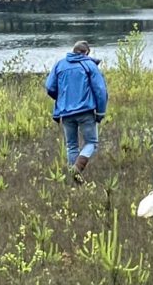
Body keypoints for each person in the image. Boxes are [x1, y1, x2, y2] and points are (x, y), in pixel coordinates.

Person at [45, 40, 108, 183]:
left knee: (71, 145)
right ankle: (77, 168)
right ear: (86, 53)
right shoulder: (89, 65)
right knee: (92, 142)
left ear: (73, 51)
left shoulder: (59, 65)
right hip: (86, 111)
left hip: (66, 113)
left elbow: (50, 87)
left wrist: (62, 99)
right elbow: (100, 90)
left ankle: (75, 178)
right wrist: (100, 112)